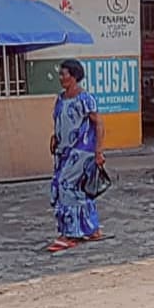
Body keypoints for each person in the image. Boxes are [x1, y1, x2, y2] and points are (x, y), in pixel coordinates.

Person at [47, 59, 106, 252]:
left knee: (66, 185)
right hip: (63, 151)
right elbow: (60, 120)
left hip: (81, 150)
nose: (61, 77)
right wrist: (55, 137)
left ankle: (69, 233)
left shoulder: (85, 99)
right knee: (77, 190)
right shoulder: (60, 98)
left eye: (64, 74)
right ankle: (92, 228)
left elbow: (99, 124)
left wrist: (98, 151)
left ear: (74, 76)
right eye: (61, 74)